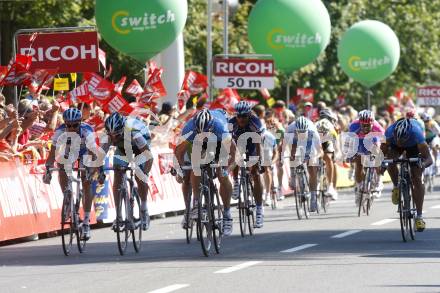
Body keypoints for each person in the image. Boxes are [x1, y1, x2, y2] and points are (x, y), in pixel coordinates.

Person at [174, 108, 236, 236]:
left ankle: (227, 214)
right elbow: (178, 153)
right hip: (196, 145)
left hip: (218, 143)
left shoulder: (220, 128)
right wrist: (179, 170)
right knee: (194, 166)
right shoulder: (189, 128)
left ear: (211, 127)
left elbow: (235, 155)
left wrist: (227, 169)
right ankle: (195, 204)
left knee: (221, 175)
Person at [44, 108, 96, 239]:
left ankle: (86, 222)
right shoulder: (60, 131)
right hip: (71, 151)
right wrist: (48, 168)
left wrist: (91, 170)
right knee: (61, 164)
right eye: (69, 125)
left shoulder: (87, 131)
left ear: (80, 122)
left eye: (75, 125)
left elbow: (93, 154)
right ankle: (67, 197)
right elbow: (53, 153)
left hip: (86, 152)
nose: (71, 128)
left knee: (86, 181)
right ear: (65, 124)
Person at [103, 112, 153, 232]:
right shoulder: (109, 135)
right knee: (118, 174)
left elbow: (149, 157)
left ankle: (144, 209)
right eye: (111, 135)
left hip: (141, 148)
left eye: (117, 135)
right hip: (123, 149)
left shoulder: (135, 133)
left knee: (140, 175)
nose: (114, 138)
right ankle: (119, 215)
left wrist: (144, 173)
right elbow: (100, 154)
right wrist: (97, 169)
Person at [381, 118, 433, 231]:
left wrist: (422, 165)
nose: (400, 141)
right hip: (394, 148)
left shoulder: (416, 134)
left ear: (407, 135)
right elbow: (381, 153)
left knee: (417, 178)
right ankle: (396, 186)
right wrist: (381, 165)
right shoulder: (389, 133)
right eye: (397, 138)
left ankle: (419, 217)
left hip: (413, 147)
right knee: (390, 159)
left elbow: (429, 159)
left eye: (402, 139)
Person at [230, 101, 265, 228]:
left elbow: (258, 144)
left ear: (249, 114)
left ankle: (260, 209)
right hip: (237, 144)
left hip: (253, 145)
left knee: (255, 173)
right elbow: (227, 143)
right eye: (238, 116)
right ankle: (235, 182)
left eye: (244, 116)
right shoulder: (231, 123)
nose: (241, 119)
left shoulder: (255, 122)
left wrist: (260, 160)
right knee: (234, 158)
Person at [347, 110, 385, 204]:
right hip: (359, 140)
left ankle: (378, 180)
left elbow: (384, 142)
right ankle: (359, 186)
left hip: (373, 139)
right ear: (359, 123)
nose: (366, 127)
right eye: (363, 125)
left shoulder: (377, 127)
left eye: (368, 125)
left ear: (372, 123)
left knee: (377, 154)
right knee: (358, 162)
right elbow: (350, 142)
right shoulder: (354, 126)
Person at [286, 116, 322, 212]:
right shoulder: (290, 130)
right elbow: (288, 148)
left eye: (303, 133)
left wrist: (315, 157)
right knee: (293, 157)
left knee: (312, 167)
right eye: (299, 132)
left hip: (310, 145)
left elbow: (320, 151)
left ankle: (313, 197)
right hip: (295, 142)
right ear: (296, 130)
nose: (301, 134)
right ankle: (294, 176)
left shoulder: (313, 132)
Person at [315, 108, 338, 200]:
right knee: (327, 159)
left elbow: (335, 142)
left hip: (327, 139)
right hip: (317, 138)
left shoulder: (332, 127)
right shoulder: (317, 124)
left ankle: (330, 186)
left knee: (329, 158)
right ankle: (328, 186)